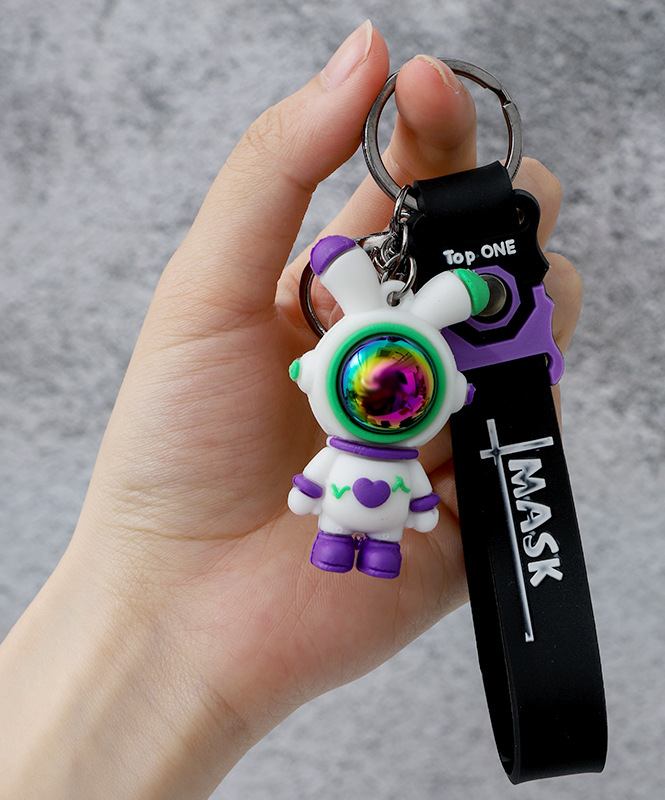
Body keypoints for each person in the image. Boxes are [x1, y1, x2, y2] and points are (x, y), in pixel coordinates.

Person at [0, 21, 581, 799]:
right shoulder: (383, 385)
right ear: (316, 377)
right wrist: (163, 589)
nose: (386, 397)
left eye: (405, 392)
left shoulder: (384, 374)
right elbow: (325, 475)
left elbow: (346, 469)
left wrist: (160, 631)